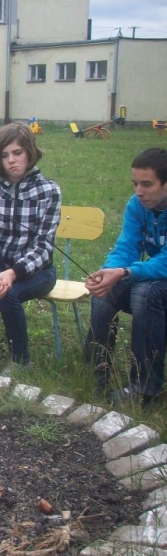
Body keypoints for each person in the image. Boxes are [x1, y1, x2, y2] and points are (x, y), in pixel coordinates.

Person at [0, 122, 61, 373]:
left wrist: (14, 273)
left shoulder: (49, 191)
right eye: (5, 155)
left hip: (37, 272)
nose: (11, 161)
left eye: (17, 153)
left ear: (30, 151)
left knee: (8, 293)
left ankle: (21, 361)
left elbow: (44, 246)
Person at [84, 147, 167, 405]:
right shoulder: (137, 205)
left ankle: (144, 389)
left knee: (144, 292)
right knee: (104, 293)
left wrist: (126, 272)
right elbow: (126, 247)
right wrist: (107, 273)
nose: (139, 191)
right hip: (155, 277)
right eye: (134, 184)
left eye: (147, 184)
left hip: (157, 282)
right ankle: (94, 374)